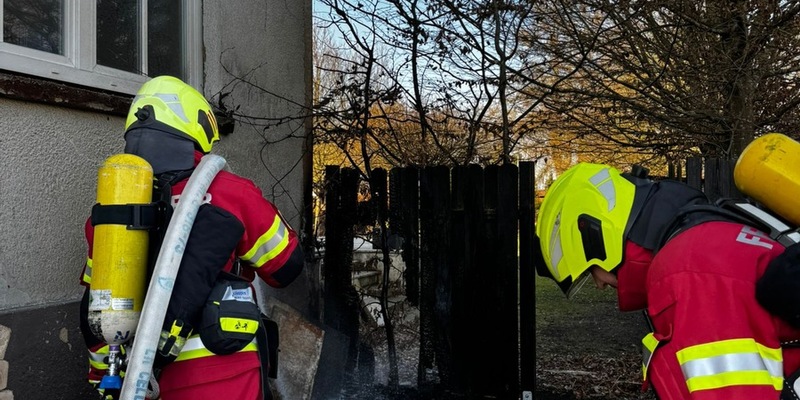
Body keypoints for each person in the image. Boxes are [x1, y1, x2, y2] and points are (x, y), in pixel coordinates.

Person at [78, 75, 305, 399]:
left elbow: (94, 302)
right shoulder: (231, 192)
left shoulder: (110, 211)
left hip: (138, 383)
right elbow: (286, 268)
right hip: (224, 377)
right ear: (194, 126)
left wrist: (105, 377)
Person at [534, 161, 800, 399]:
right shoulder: (710, 238)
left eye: (589, 272)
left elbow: (730, 391)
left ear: (595, 238)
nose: (599, 284)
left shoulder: (684, 269)